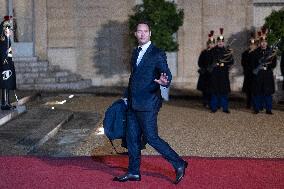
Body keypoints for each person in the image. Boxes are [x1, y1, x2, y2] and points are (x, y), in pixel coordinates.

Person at [113, 21, 187, 184]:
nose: (142, 34)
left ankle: (179, 162)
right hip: (133, 103)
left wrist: (164, 81)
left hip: (148, 103)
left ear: (150, 33)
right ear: (135, 34)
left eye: (145, 31)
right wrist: (126, 96)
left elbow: (166, 73)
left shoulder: (157, 53)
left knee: (151, 137)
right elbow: (134, 77)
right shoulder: (135, 52)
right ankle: (133, 172)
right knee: (131, 138)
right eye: (139, 31)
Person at [251, 27, 277, 114]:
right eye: (262, 42)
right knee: (257, 92)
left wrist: (267, 66)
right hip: (258, 75)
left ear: (267, 42)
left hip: (267, 74)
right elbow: (252, 64)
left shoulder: (271, 52)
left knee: (267, 92)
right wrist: (259, 66)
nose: (263, 44)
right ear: (260, 43)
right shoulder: (255, 52)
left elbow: (274, 64)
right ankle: (256, 108)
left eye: (265, 42)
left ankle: (268, 109)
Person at [208, 28, 234, 113]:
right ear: (217, 42)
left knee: (224, 92)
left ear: (223, 42)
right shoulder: (212, 50)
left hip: (223, 73)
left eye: (222, 41)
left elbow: (231, 61)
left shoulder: (227, 51)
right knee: (214, 92)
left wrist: (227, 58)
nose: (220, 43)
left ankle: (225, 108)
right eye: (219, 41)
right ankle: (213, 108)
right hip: (215, 73)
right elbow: (209, 61)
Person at [0, 16, 16, 110]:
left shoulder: (7, 39)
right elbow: (2, 51)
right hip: (4, 64)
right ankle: (4, 103)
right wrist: (4, 60)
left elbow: (9, 51)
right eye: (7, 29)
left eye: (9, 29)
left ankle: (7, 102)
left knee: (8, 84)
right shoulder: (3, 40)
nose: (9, 31)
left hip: (9, 63)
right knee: (5, 84)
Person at [197, 31, 215, 108]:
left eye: (212, 43)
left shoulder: (215, 52)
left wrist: (211, 67)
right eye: (209, 43)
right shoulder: (203, 52)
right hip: (204, 73)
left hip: (212, 73)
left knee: (211, 89)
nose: (210, 45)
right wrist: (203, 68)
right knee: (204, 89)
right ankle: (205, 102)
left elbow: (215, 61)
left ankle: (210, 102)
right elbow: (199, 62)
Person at [241, 35, 257, 109]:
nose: (252, 46)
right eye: (251, 44)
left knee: (255, 90)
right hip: (248, 73)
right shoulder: (245, 53)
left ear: (255, 45)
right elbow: (243, 63)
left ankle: (255, 104)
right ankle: (248, 104)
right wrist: (249, 53)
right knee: (248, 90)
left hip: (255, 74)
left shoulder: (257, 52)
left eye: (253, 45)